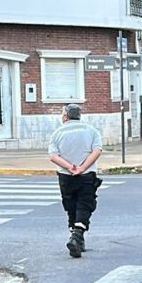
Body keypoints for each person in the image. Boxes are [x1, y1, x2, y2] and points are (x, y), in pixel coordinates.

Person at [47, 104, 103, 258]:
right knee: (85, 205)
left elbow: (53, 156)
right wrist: (82, 167)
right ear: (79, 115)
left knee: (70, 206)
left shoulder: (57, 133)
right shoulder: (91, 130)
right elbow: (97, 150)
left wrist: (71, 167)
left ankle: (77, 238)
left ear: (66, 116)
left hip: (66, 176)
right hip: (87, 175)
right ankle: (77, 236)